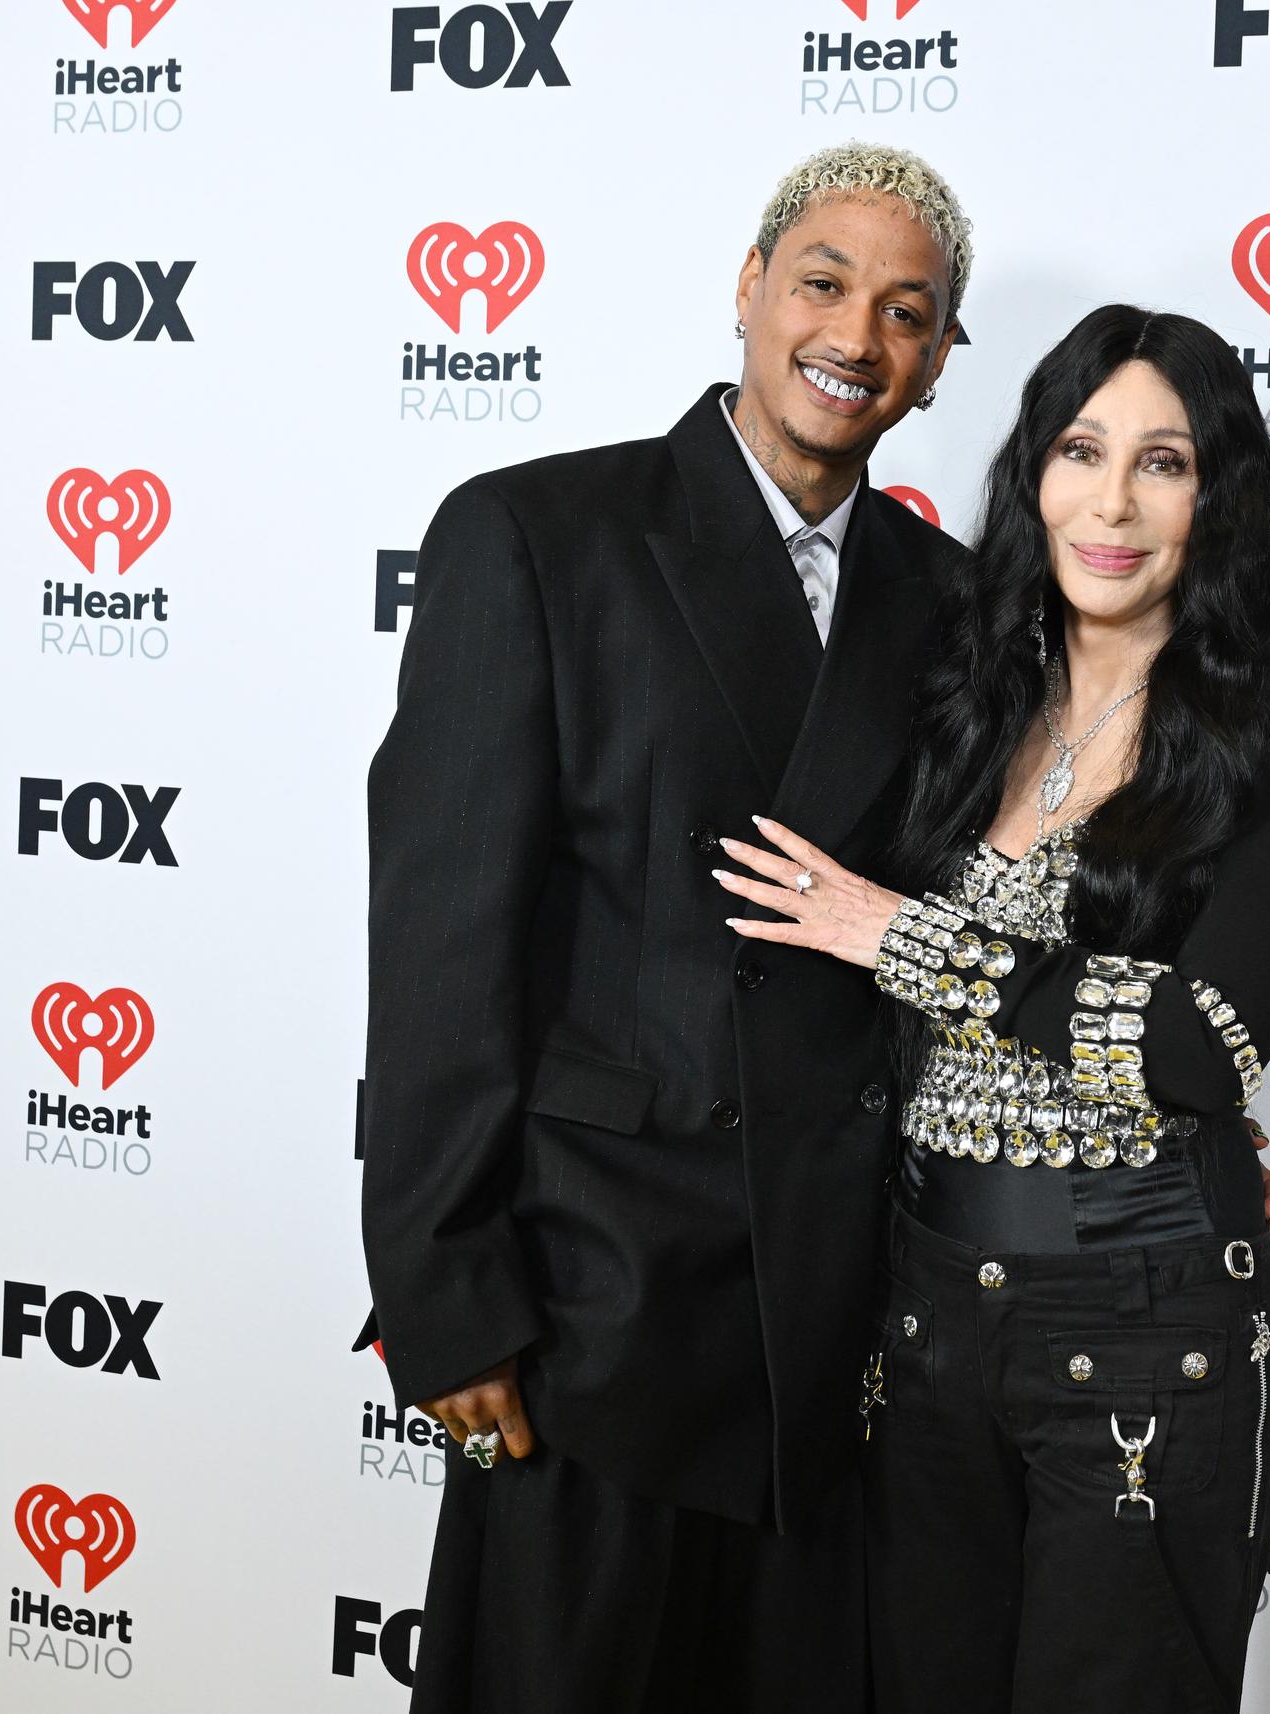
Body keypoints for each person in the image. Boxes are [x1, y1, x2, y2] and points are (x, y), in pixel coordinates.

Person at [358, 144, 970, 1711]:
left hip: (840, 1332)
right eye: (825, 281)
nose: (856, 333)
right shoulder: (539, 535)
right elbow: (442, 948)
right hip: (592, 1311)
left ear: (939, 361)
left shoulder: (956, 602)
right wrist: (445, 1292)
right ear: (751, 288)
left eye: (910, 310)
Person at [713, 304, 1270, 1712]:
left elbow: (1201, 1044)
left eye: (1164, 461)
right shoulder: (958, 692)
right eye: (1081, 448)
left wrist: (908, 937)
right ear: (1033, 472)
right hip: (921, 1323)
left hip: (1149, 1332)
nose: (1112, 501)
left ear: (1220, 494)